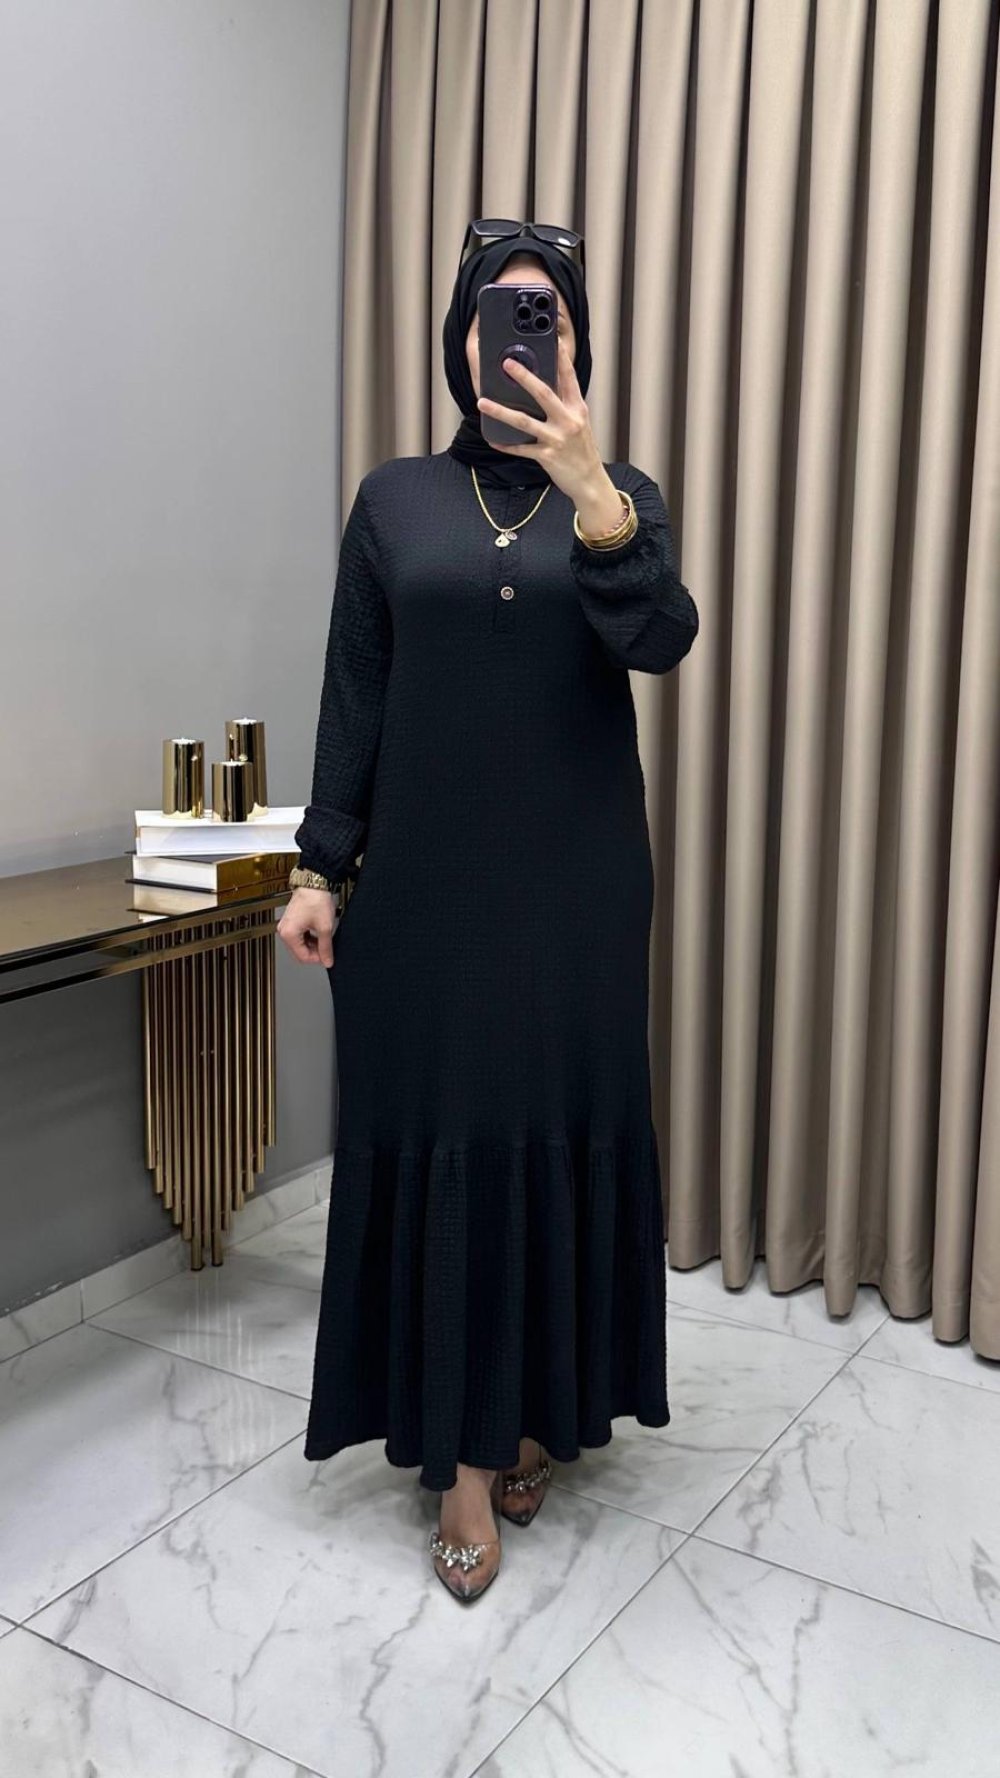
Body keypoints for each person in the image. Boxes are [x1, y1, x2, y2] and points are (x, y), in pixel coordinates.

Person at [278, 220, 699, 1604]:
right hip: (424, 897)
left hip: (579, 892)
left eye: (546, 316)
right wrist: (320, 866)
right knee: (451, 1140)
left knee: (546, 1136)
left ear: (575, 347)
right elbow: (355, 688)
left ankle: (527, 1413)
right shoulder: (394, 501)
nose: (521, 335)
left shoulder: (617, 494)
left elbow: (660, 636)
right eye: (498, 313)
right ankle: (462, 1466)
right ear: (460, 342)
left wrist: (593, 492)